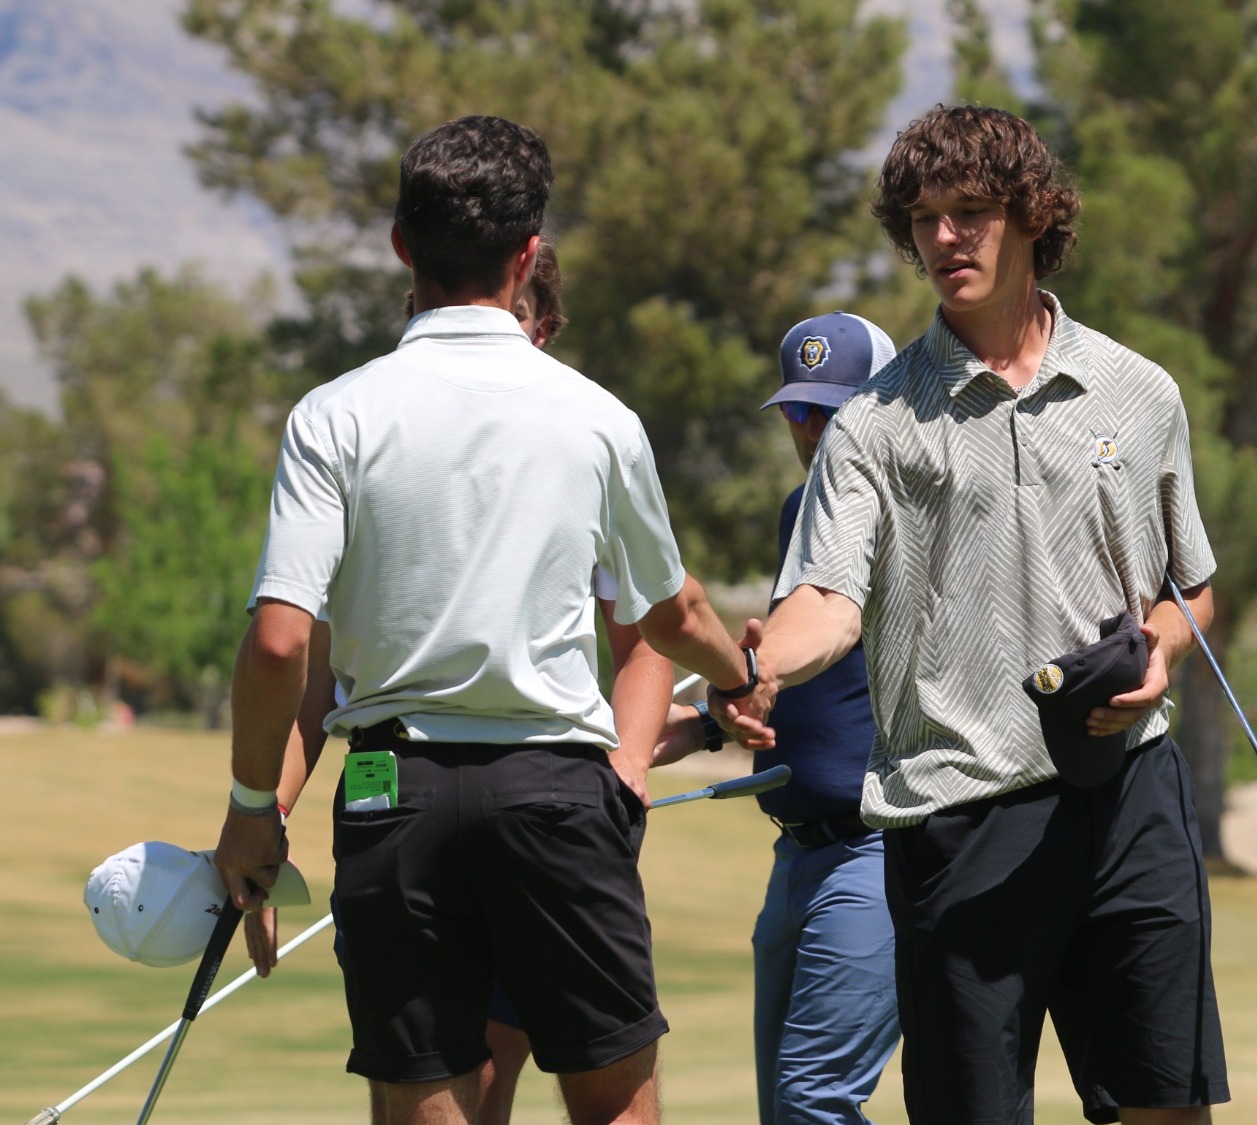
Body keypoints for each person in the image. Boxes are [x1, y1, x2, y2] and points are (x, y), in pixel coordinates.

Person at [213, 115, 765, 1125]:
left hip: (391, 795)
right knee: (612, 1105)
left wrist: (256, 804)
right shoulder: (598, 417)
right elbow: (673, 614)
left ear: (398, 248)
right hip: (553, 792)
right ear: (527, 257)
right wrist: (735, 680)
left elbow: (283, 644)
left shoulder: (333, 414)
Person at [713, 105, 1226, 1125]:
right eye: (924, 217)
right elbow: (826, 601)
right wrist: (768, 662)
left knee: (1161, 1106)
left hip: (1128, 795)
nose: (944, 237)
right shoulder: (871, 423)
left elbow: (1189, 589)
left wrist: (1160, 653)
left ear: (1034, 215)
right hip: (957, 812)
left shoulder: (1137, 392)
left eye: (972, 211)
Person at [249, 237, 670, 1125]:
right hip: (518, 793)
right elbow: (313, 672)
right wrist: (267, 811)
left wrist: (627, 769)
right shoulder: (599, 418)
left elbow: (643, 634)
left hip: (418, 794)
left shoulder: (340, 412)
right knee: (594, 1102)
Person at [661, 312, 902, 1124]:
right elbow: (791, 674)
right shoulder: (803, 510)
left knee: (814, 1102)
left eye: (830, 411)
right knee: (788, 1111)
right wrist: (702, 722)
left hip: (877, 848)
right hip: (796, 854)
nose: (809, 428)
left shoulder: (912, 508)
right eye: (799, 410)